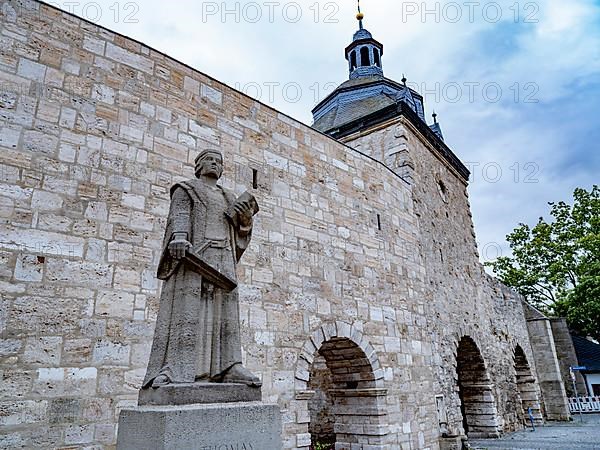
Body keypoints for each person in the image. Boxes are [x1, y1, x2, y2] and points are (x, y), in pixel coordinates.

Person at [142, 148, 261, 388]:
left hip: (223, 257)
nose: (215, 164)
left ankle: (230, 366)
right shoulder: (186, 189)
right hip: (194, 256)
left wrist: (246, 220)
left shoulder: (228, 196)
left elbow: (240, 233)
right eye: (210, 160)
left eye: (219, 161)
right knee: (188, 310)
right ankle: (174, 368)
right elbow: (180, 215)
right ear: (199, 165)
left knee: (225, 313)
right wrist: (179, 237)